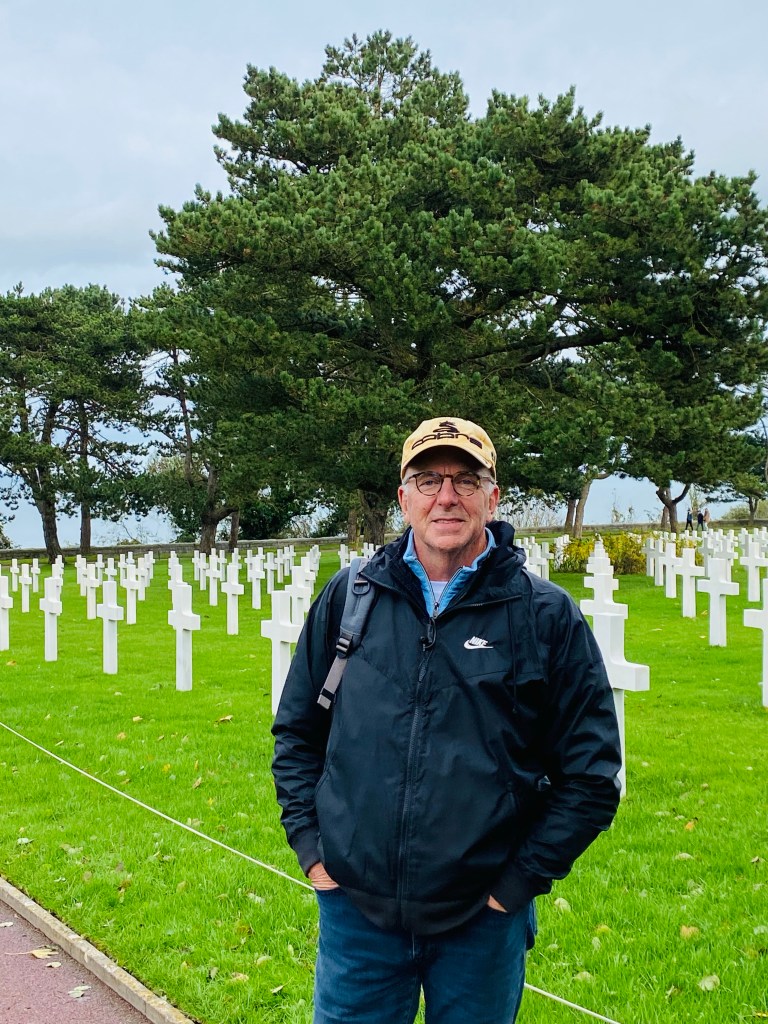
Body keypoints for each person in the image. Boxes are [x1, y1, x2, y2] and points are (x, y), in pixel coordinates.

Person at [272, 416, 622, 1024]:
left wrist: (515, 886)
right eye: (428, 479)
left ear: (493, 496)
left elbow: (592, 775)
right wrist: (313, 852)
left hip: (482, 922)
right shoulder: (351, 598)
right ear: (403, 497)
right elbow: (298, 733)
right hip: (357, 914)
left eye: (466, 479)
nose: (447, 496)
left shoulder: (543, 615)